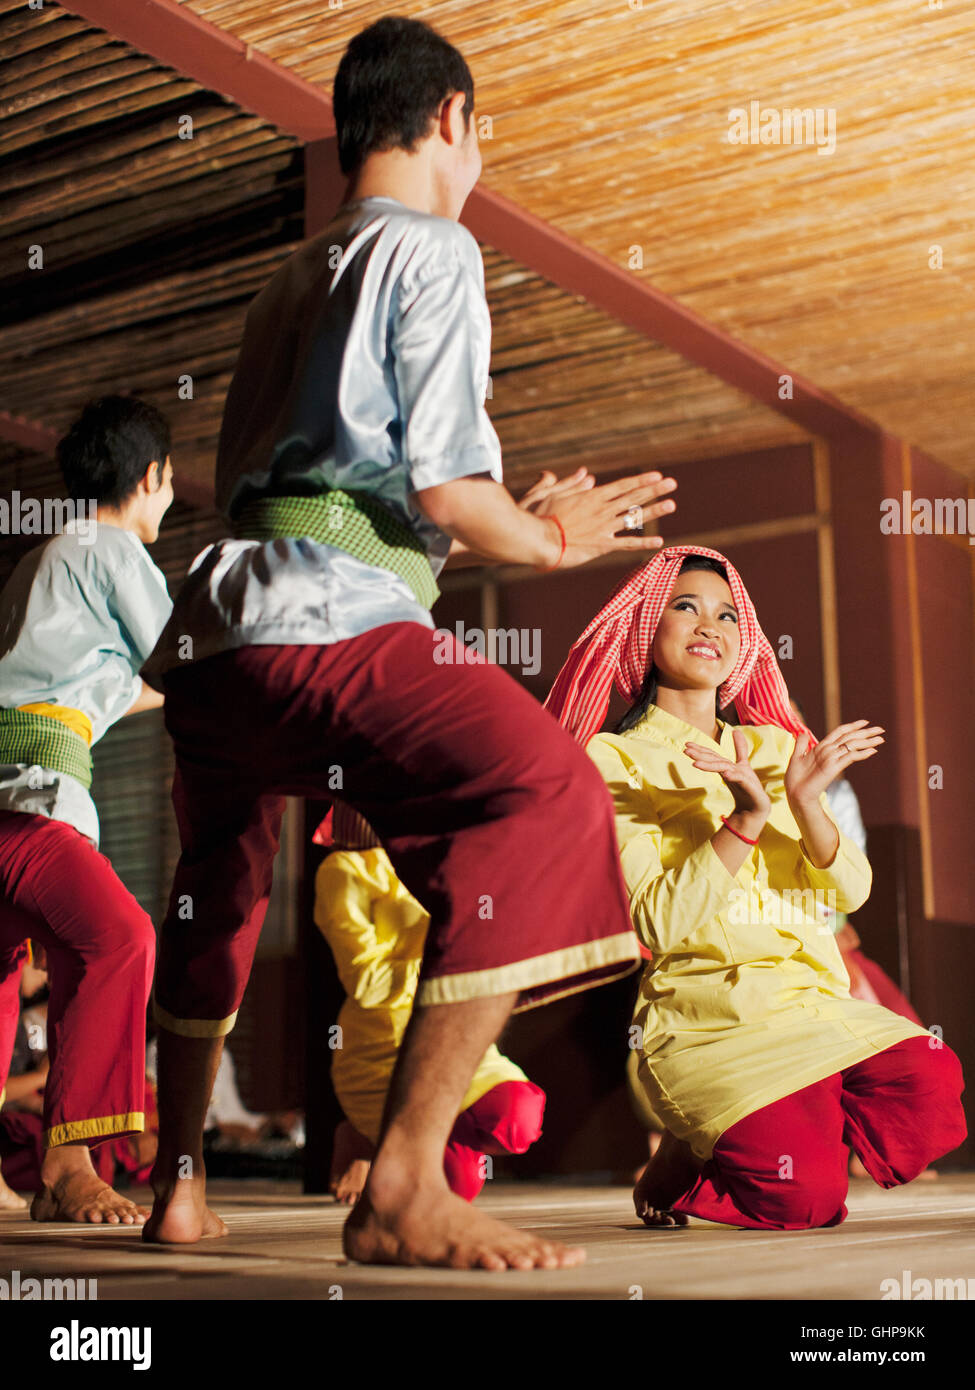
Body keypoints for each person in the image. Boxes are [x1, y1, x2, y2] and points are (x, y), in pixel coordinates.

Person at [139, 15, 678, 1270]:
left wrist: (495, 514)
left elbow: (268, 479)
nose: (477, 161)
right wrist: (546, 537)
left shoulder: (289, 279)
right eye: (479, 137)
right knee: (543, 793)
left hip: (218, 645)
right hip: (331, 625)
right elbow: (444, 490)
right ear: (453, 119)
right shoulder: (433, 247)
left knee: (220, 882)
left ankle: (176, 1187)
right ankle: (402, 1185)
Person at [545, 545, 967, 1230]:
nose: (709, 626)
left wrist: (802, 805)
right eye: (685, 607)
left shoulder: (774, 747)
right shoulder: (610, 759)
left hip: (808, 1005)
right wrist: (743, 820)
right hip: (705, 1022)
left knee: (930, 1078)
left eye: (726, 615)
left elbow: (851, 891)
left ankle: (778, 1115)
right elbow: (654, 922)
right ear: (647, 630)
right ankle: (688, 1153)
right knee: (804, 1202)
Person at [0, 396, 174, 1223]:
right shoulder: (112, 548)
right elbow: (183, 660)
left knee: (5, 975)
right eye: (169, 485)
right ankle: (68, 1168)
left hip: (13, 786)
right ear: (152, 477)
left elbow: (98, 688)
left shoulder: (41, 564)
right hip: (28, 800)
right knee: (118, 938)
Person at [314, 803, 546, 1205]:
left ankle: (387, 1140)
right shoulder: (345, 868)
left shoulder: (451, 852)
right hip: (383, 1052)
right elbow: (366, 982)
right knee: (457, 1188)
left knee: (517, 1122)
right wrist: (448, 961)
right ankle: (365, 1133)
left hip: (456, 1040)